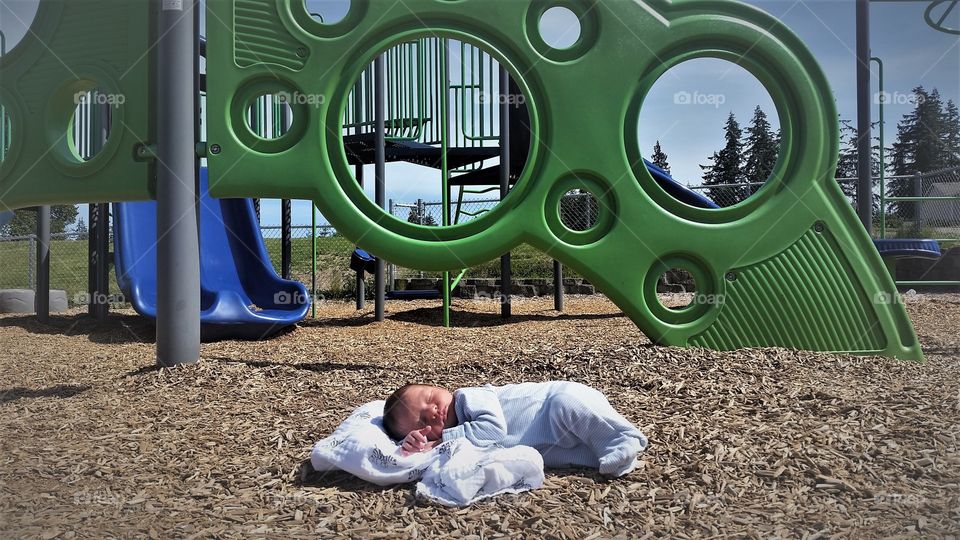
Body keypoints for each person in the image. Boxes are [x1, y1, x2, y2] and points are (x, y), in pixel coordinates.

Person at [382, 381, 648, 477]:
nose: (432, 411)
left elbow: (492, 430)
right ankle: (617, 457)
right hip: (547, 443)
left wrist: (439, 441)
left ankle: (624, 436)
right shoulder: (458, 440)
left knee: (566, 405)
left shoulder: (468, 398)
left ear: (437, 387)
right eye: (421, 422)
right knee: (578, 457)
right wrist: (418, 446)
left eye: (429, 398)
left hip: (552, 406)